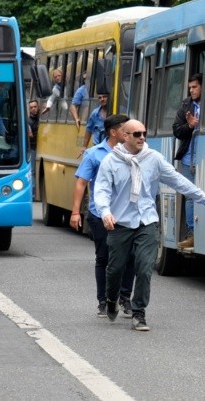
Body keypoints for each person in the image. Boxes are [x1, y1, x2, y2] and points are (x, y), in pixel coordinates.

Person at [94, 119, 205, 331]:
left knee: (144, 269)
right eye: (136, 134)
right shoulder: (111, 161)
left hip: (147, 221)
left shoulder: (153, 159)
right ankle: (110, 299)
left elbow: (178, 180)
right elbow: (101, 190)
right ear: (124, 136)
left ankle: (139, 313)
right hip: (120, 222)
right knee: (115, 268)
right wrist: (106, 213)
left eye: (144, 133)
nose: (142, 137)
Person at [71, 114, 135, 318]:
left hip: (125, 215)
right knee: (104, 257)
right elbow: (81, 182)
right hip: (100, 215)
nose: (129, 133)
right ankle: (103, 300)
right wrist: (75, 212)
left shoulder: (134, 153)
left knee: (130, 257)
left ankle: (125, 297)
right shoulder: (94, 154)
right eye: (125, 130)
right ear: (113, 132)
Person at [172, 73, 203, 249]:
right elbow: (177, 130)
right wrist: (190, 126)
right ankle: (192, 234)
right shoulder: (186, 105)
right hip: (187, 159)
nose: (191, 90)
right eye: (190, 87)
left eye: (195, 87)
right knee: (190, 196)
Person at [78, 93, 108, 157]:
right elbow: (89, 130)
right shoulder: (95, 113)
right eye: (100, 98)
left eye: (104, 97)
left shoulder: (119, 111)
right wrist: (84, 147)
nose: (102, 99)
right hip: (98, 149)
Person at [28, 99, 40, 199]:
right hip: (33, 148)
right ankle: (33, 193)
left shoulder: (42, 118)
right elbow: (30, 135)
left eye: (35, 107)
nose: (33, 109)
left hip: (43, 147)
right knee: (33, 171)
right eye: (31, 107)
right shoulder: (28, 121)